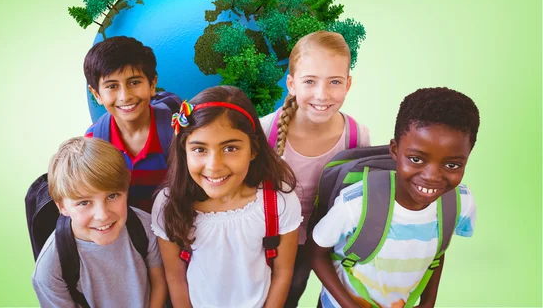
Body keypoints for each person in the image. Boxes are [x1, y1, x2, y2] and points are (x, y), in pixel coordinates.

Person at [309, 87, 480, 308]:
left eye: (452, 165)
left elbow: (436, 252)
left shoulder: (459, 204)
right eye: (417, 159)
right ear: (394, 149)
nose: (432, 177)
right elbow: (315, 253)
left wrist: (428, 302)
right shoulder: (356, 204)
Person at [152, 86, 302, 308]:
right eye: (200, 149)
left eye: (230, 148)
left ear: (253, 150)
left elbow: (283, 272)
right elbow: (175, 277)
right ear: (184, 151)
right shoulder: (168, 204)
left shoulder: (279, 201)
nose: (214, 166)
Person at [260, 30, 371, 306]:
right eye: (310, 81)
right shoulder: (263, 131)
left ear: (348, 84)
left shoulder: (357, 137)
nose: (322, 95)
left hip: (316, 245)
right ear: (292, 83)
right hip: (263, 243)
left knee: (291, 294)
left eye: (334, 81)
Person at [32, 136, 167, 307]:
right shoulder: (50, 269)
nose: (102, 215)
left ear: (126, 190)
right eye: (84, 202)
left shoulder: (146, 227)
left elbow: (159, 283)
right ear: (62, 207)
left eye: (112, 196)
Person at [84, 36, 180, 212]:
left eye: (134, 82)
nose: (125, 96)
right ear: (96, 94)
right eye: (112, 86)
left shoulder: (177, 130)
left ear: (152, 84)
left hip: (177, 227)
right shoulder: (94, 141)